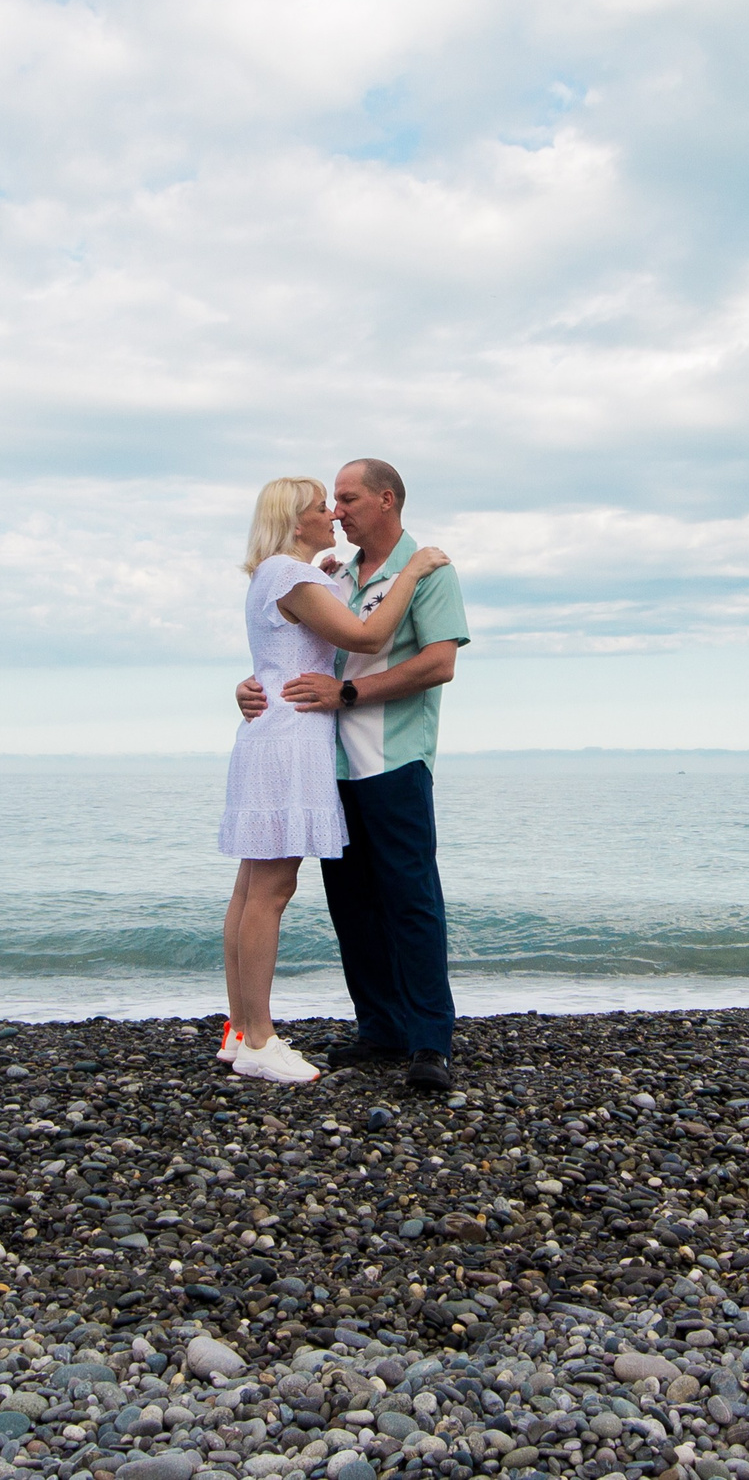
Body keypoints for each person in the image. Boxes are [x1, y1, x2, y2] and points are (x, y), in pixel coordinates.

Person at [236, 458, 470, 1092]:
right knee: (352, 905)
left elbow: (438, 664)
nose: (336, 510)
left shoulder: (428, 571)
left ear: (386, 500)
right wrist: (255, 686)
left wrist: (350, 695)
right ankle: (381, 1028)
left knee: (411, 901)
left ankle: (429, 1040)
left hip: (393, 759)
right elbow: (297, 644)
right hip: (325, 765)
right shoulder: (330, 574)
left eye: (346, 498)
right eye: (329, 501)